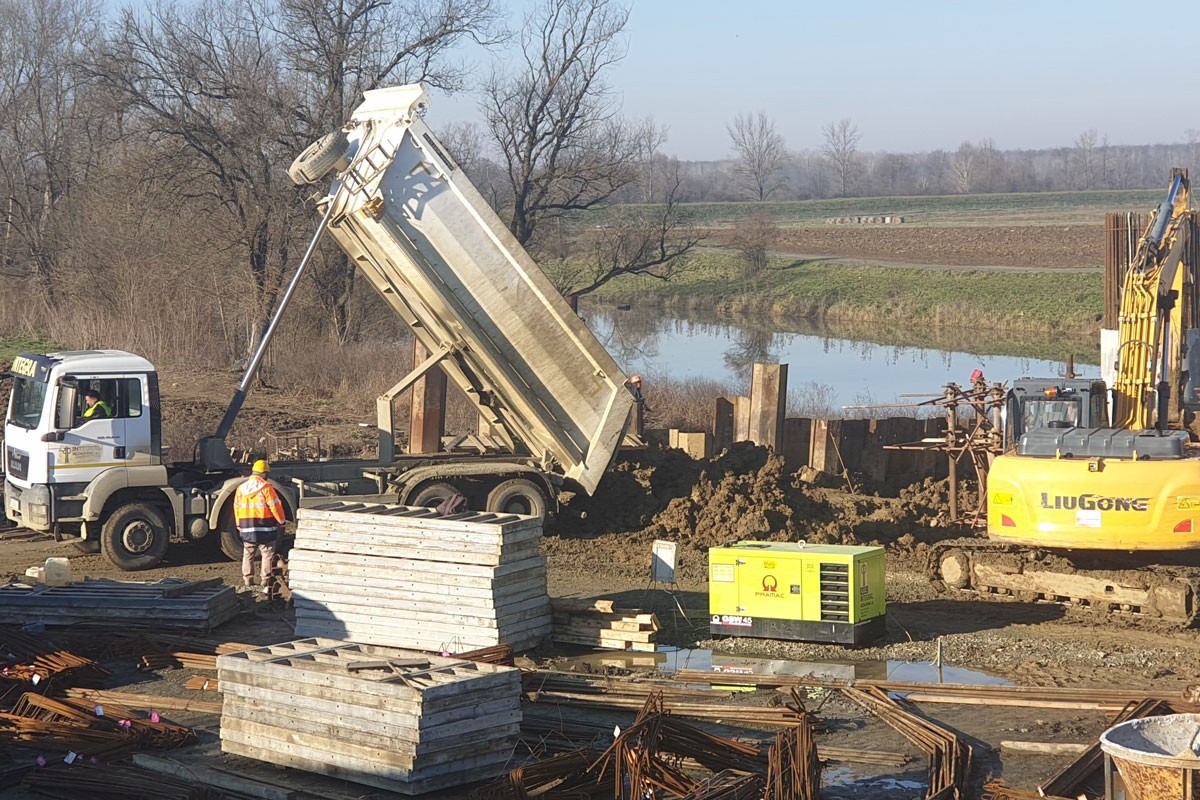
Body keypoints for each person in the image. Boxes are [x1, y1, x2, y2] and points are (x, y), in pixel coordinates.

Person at [233, 460, 286, 593]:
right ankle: (265, 579)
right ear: (264, 473)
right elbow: (275, 506)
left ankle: (248, 578)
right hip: (265, 526)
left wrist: (239, 523)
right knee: (267, 553)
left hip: (246, 526)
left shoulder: (241, 488)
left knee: (248, 552)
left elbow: (236, 507)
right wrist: (282, 521)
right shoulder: (266, 488)